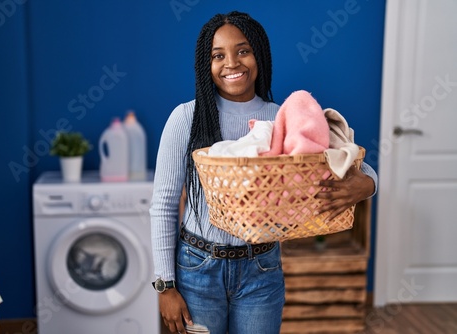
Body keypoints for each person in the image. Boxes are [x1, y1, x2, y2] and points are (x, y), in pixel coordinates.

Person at [149, 11, 377, 334]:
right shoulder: (186, 118)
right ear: (206, 63)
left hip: (261, 268)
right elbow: (163, 204)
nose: (232, 63)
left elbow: (348, 158)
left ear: (259, 53)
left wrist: (367, 184)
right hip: (197, 269)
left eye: (243, 50)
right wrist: (165, 285)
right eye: (218, 55)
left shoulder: (281, 118)